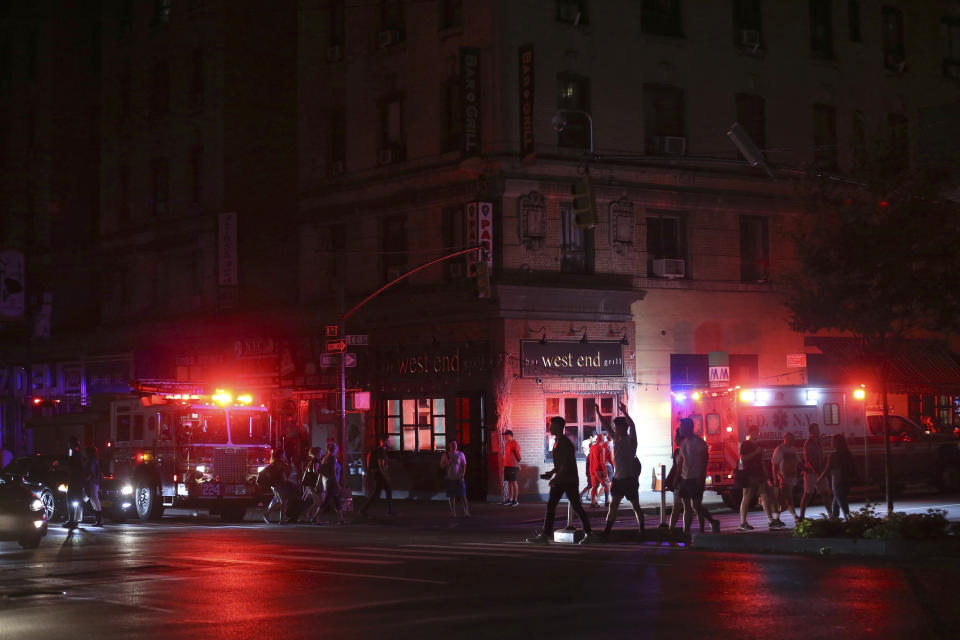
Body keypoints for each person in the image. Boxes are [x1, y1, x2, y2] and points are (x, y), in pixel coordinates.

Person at [526, 417, 597, 545]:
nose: (550, 427)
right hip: (563, 479)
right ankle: (545, 535)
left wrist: (556, 478)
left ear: (559, 427)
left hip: (568, 480)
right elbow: (560, 464)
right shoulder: (557, 442)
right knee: (552, 506)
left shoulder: (565, 443)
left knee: (576, 506)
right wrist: (552, 473)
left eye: (552, 425)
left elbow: (566, 464)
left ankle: (589, 534)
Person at [600, 402, 645, 538]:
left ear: (622, 428)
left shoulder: (631, 441)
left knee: (635, 506)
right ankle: (607, 531)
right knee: (613, 506)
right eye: (615, 427)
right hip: (618, 479)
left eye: (617, 426)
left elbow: (633, 426)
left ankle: (642, 529)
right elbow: (606, 426)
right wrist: (598, 412)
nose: (615, 429)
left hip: (630, 479)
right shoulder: (615, 439)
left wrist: (625, 412)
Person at [677, 418, 720, 536]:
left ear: (688, 427)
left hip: (695, 478)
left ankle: (708, 525)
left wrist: (701, 477)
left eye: (681, 426)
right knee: (687, 507)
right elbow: (681, 462)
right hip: (685, 478)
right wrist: (677, 477)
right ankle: (686, 531)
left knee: (696, 506)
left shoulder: (699, 442)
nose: (679, 429)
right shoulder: (683, 443)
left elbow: (704, 460)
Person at [738, 424, 780, 531]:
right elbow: (743, 458)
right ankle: (743, 523)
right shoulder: (745, 444)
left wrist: (766, 476)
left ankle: (771, 521)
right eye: (755, 432)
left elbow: (761, 462)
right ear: (751, 432)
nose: (757, 434)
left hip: (760, 475)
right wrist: (755, 453)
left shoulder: (758, 445)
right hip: (749, 475)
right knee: (746, 497)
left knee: (765, 497)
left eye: (758, 432)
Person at [819, 433, 857, 521]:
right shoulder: (847, 453)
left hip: (837, 482)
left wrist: (819, 479)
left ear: (836, 442)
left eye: (832, 441)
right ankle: (834, 520)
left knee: (842, 504)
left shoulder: (833, 456)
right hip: (846, 481)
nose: (831, 442)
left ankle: (848, 522)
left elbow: (827, 469)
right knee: (836, 503)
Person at [798, 422, 832, 521]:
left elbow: (827, 439)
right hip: (811, 473)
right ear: (812, 431)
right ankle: (801, 515)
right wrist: (816, 472)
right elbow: (809, 460)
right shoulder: (808, 443)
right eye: (816, 429)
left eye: (818, 428)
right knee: (808, 494)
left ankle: (830, 514)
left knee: (825, 493)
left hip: (821, 471)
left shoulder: (819, 441)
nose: (819, 430)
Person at [770, 432, 800, 524]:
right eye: (790, 439)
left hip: (792, 477)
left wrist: (804, 469)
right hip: (783, 477)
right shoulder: (780, 449)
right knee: (788, 498)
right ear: (785, 439)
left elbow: (798, 462)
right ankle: (795, 517)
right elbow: (774, 465)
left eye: (793, 439)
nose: (792, 440)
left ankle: (776, 518)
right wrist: (775, 478)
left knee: (784, 500)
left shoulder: (793, 450)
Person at [359, 438, 393, 517]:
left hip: (377, 474)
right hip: (380, 475)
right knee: (379, 492)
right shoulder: (382, 451)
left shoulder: (378, 451)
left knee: (384, 491)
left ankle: (390, 510)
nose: (389, 442)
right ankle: (363, 510)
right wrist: (386, 476)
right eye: (388, 441)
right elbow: (381, 465)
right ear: (383, 442)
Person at [259, 451, 293, 524]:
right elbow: (289, 468)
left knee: (281, 501)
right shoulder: (279, 462)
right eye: (284, 455)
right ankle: (282, 519)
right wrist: (287, 462)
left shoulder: (274, 463)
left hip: (275, 485)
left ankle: (268, 514)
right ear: (281, 455)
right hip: (279, 484)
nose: (285, 456)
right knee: (283, 501)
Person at [317, 441, 345, 525]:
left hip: (328, 482)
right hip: (332, 482)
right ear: (335, 449)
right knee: (327, 501)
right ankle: (316, 517)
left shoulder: (325, 457)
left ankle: (341, 519)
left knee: (336, 501)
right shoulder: (332, 458)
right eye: (336, 448)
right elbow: (333, 472)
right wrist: (337, 484)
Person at [440, 440, 470, 518]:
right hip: (450, 478)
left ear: (457, 445)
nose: (454, 446)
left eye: (455, 444)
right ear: (449, 446)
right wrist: (446, 463)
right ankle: (453, 512)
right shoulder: (445, 455)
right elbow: (441, 466)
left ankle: (466, 512)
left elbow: (464, 466)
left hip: (459, 478)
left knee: (463, 495)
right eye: (452, 445)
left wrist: (462, 475)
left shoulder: (461, 454)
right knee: (452, 496)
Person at [665, 427, 686, 532]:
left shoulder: (686, 450)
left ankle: (682, 530)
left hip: (685, 481)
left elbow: (678, 468)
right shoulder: (677, 451)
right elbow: (674, 467)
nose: (674, 440)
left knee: (691, 507)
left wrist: (674, 480)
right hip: (680, 483)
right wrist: (669, 479)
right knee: (677, 507)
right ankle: (671, 529)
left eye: (675, 438)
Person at [64, 436, 85, 529]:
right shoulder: (80, 453)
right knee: (76, 500)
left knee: (70, 499)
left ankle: (72, 521)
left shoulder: (73, 453)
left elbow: (71, 466)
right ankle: (74, 520)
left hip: (74, 480)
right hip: (78, 480)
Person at [588, 432, 611, 507]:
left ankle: (593, 502)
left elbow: (590, 459)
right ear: (602, 439)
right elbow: (602, 461)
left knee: (595, 486)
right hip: (599, 470)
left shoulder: (591, 447)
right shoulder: (601, 448)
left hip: (592, 470)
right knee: (607, 484)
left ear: (597, 439)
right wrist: (605, 472)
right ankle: (607, 501)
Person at [83, 445, 104, 527]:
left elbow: (91, 471)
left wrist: (87, 478)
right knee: (93, 499)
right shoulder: (94, 460)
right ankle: (98, 519)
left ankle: (99, 520)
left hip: (92, 482)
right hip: (94, 482)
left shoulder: (91, 460)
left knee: (93, 499)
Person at [300, 448, 323, 522]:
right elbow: (315, 470)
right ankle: (311, 515)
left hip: (310, 484)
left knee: (316, 502)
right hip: (314, 484)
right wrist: (321, 475)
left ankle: (313, 517)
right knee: (319, 502)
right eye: (320, 453)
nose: (321, 454)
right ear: (316, 454)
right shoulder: (316, 461)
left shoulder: (310, 461)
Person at [502, 430, 522, 506]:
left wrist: (518, 464)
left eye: (505, 435)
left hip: (513, 466)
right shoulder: (507, 443)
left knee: (514, 482)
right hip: (507, 465)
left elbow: (518, 456)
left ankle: (515, 500)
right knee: (509, 482)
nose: (504, 437)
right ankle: (510, 499)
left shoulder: (515, 443)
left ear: (509, 435)